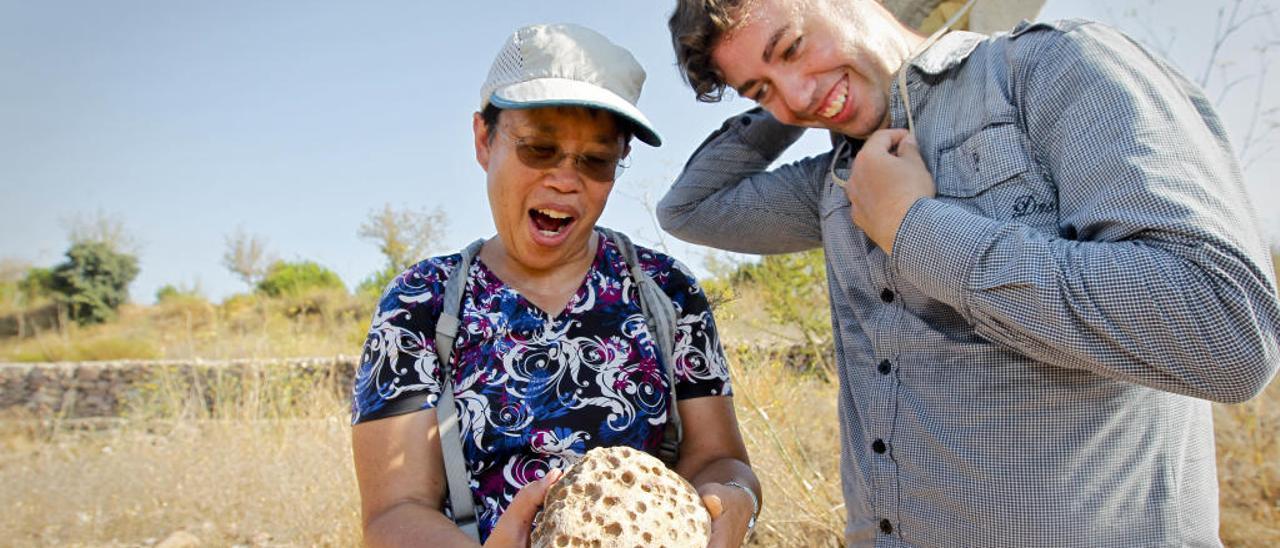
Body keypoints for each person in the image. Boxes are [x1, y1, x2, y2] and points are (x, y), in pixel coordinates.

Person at [661, 0, 1280, 546]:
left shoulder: (1047, 71)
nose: (794, 97)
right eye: (761, 90)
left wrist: (916, 230)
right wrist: (803, 94)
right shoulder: (839, 180)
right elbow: (688, 208)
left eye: (792, 46)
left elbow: (1228, 330)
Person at [349, 23, 760, 548]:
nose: (565, 179)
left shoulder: (666, 290)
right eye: (540, 149)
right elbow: (394, 511)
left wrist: (735, 502)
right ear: (484, 139)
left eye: (596, 160)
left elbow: (720, 458)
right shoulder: (420, 303)